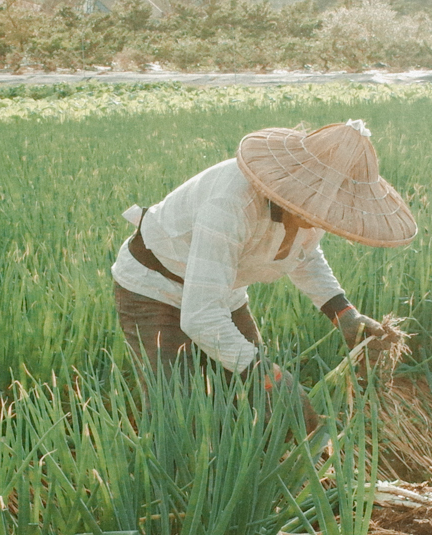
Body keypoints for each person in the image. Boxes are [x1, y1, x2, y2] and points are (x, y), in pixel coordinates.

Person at [111, 119, 415, 385]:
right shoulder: (230, 204)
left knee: (253, 395)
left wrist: (344, 313)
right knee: (179, 402)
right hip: (154, 288)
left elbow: (303, 255)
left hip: (221, 289)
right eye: (318, 207)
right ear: (293, 184)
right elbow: (201, 316)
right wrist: (267, 376)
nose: (322, 219)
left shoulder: (315, 205)